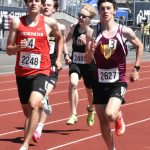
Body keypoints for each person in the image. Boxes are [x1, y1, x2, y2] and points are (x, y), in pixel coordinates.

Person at [85, 0, 143, 149]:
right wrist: (91, 50)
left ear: (114, 11)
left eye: (108, 8)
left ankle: (118, 115)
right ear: (98, 11)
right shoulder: (92, 31)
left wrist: (136, 68)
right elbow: (87, 60)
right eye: (102, 8)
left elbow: (139, 45)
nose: (105, 11)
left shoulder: (124, 31)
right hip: (99, 81)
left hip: (117, 81)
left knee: (110, 115)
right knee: (103, 121)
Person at [6, 0, 63, 149]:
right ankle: (36, 119)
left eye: (37, 0)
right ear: (26, 3)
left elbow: (60, 38)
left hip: (42, 71)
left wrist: (58, 59)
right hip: (22, 73)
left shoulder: (50, 23)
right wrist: (18, 47)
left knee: (33, 104)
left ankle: (25, 144)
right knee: (28, 112)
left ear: (41, 4)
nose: (33, 3)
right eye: (30, 0)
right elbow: (9, 50)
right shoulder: (17, 22)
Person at [32, 0, 69, 143]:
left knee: (43, 94)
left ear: (54, 9)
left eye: (49, 5)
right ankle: (45, 105)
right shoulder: (34, 24)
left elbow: (62, 41)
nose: (46, 7)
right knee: (35, 101)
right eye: (45, 4)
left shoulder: (58, 26)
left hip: (51, 67)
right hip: (36, 66)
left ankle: (39, 128)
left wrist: (63, 56)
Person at [65, 4, 97, 126]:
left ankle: (90, 109)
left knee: (90, 92)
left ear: (89, 18)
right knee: (73, 84)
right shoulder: (74, 28)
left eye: (84, 16)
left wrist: (88, 43)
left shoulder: (92, 31)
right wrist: (66, 55)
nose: (80, 17)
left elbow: (95, 51)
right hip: (76, 62)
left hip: (89, 64)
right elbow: (63, 41)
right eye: (79, 15)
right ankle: (73, 114)